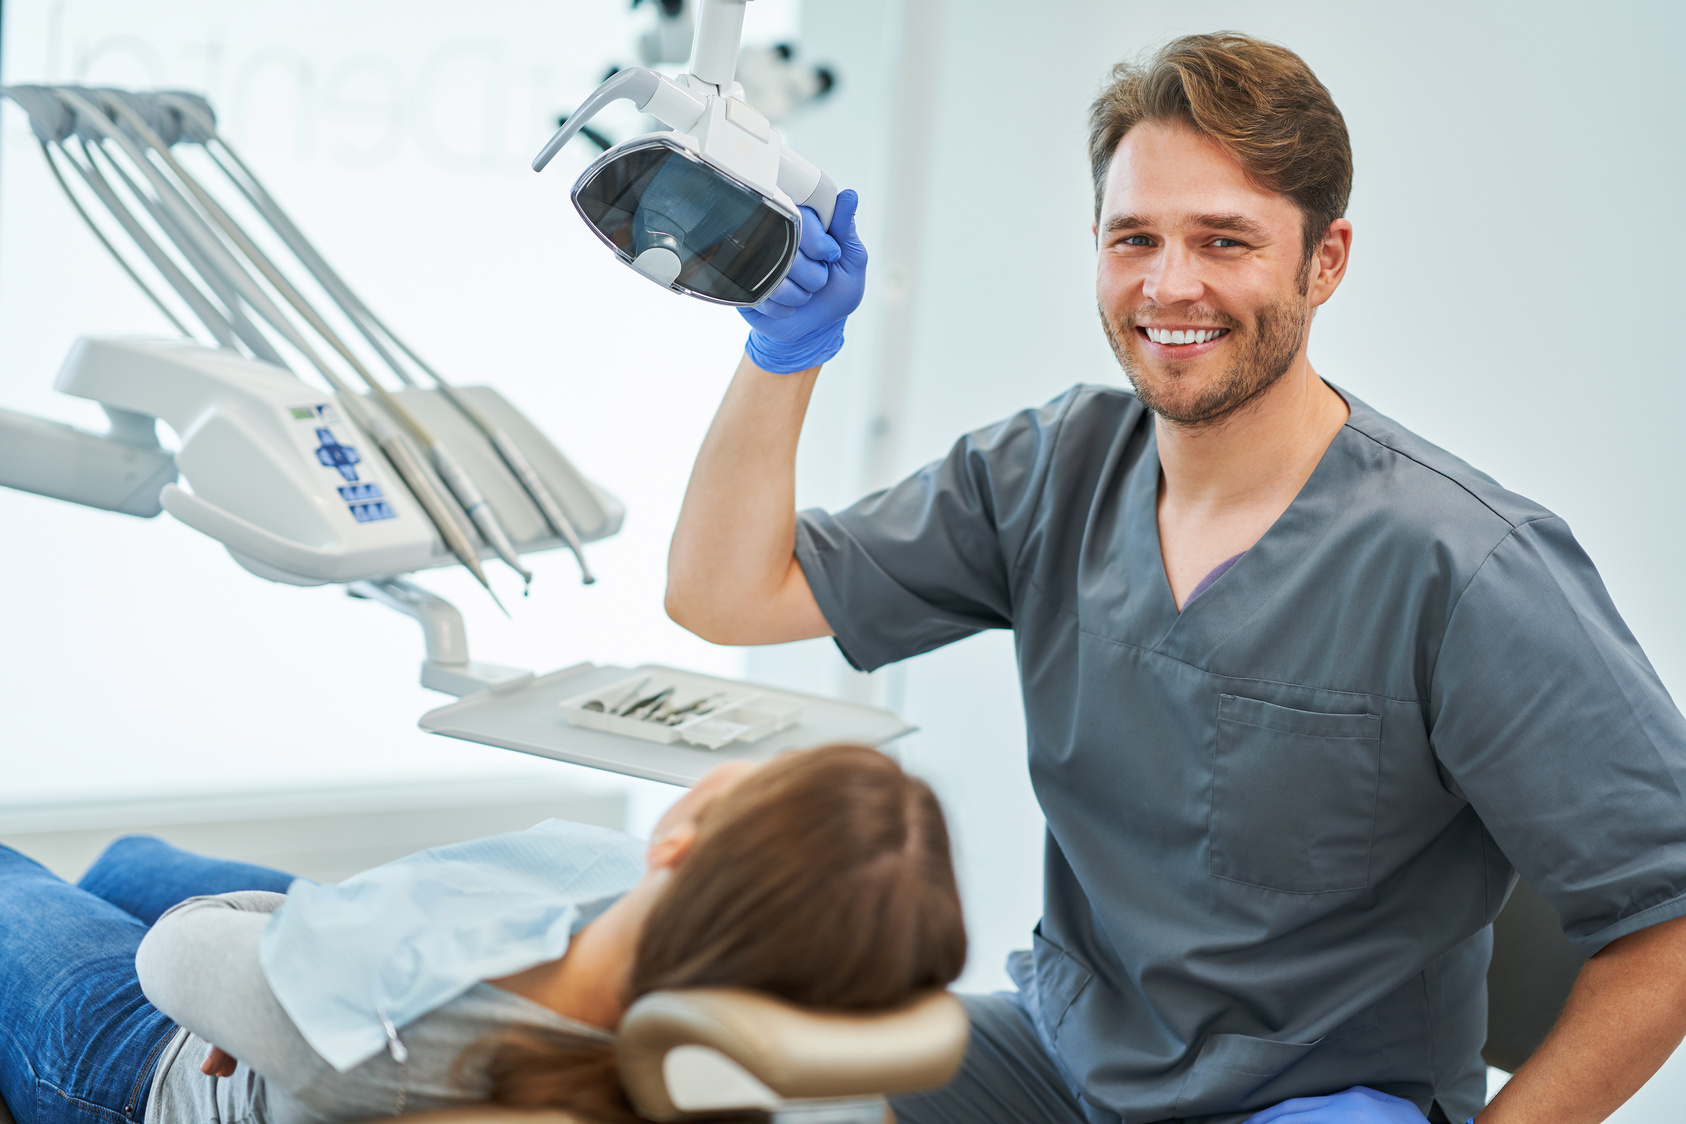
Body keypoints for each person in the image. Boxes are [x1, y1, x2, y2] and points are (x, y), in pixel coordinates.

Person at [663, 31, 1686, 1124]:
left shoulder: (1465, 564)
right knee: (728, 1078)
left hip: (1316, 1098)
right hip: (1068, 1058)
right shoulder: (1053, 472)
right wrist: (784, 350)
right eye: (1133, 236)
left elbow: (1670, 920)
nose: (1170, 283)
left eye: (1224, 240)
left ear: (1324, 260)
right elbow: (726, 594)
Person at [0, 744, 966, 1124]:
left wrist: (280, 971)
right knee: (126, 860)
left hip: (160, 1074)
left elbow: (173, 957)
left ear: (689, 842)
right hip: (350, 965)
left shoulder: (397, 1040)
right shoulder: (731, 1012)